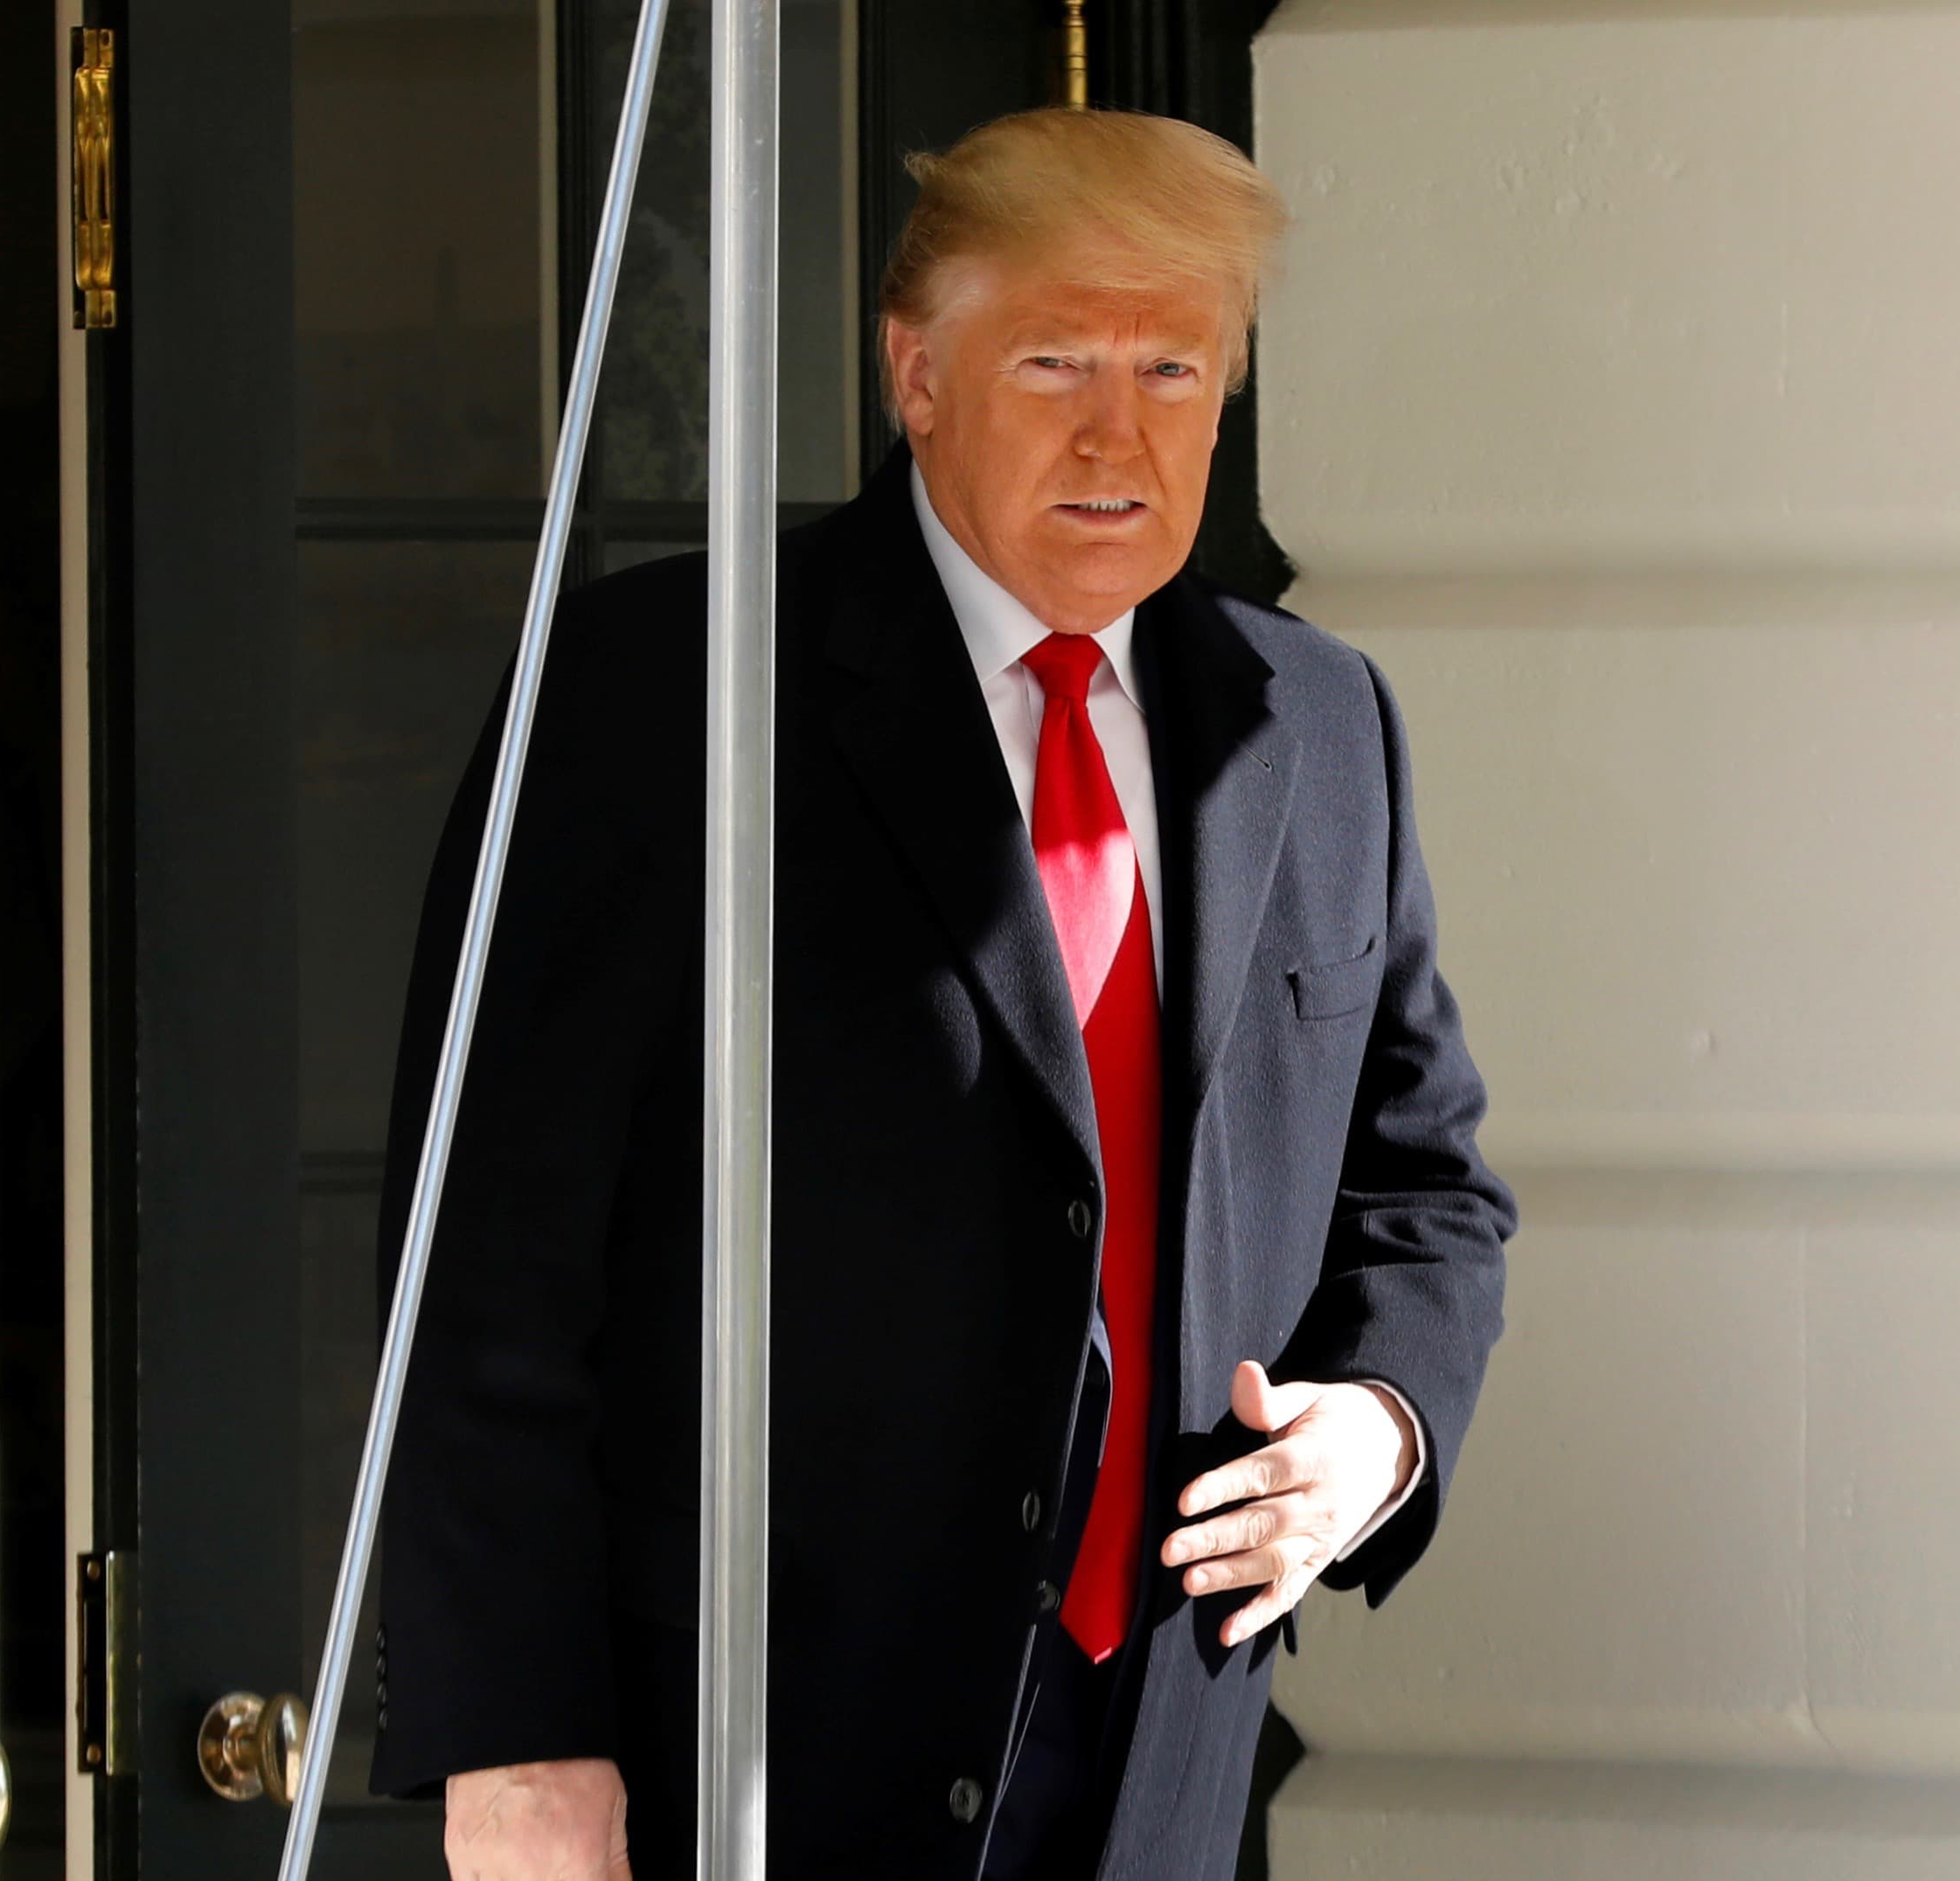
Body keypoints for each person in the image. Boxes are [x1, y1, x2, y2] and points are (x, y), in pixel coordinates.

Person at [366, 107, 1513, 1881]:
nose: (1117, 432)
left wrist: (1378, 1425)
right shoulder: (664, 692)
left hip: (1158, 1753)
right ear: (915, 371)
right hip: (749, 1759)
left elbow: (1422, 1189)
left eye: (1173, 365)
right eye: (1053, 359)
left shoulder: (1321, 724)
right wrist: (517, 1740)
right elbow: (488, 1259)